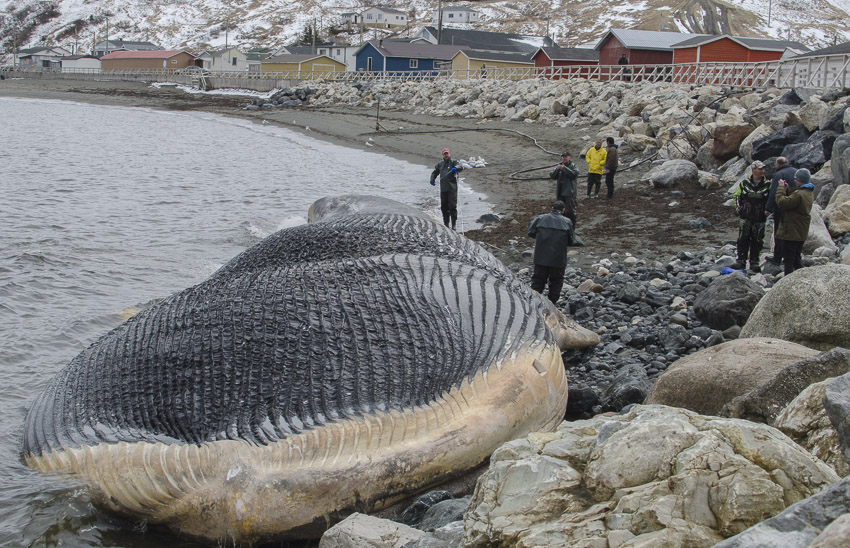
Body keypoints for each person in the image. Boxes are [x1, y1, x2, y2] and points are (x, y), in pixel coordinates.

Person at [527, 200, 576, 304]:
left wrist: (541, 238)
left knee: (538, 279)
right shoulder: (567, 222)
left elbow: (530, 232)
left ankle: (534, 302)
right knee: (556, 281)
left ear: (552, 208)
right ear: (563, 210)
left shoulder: (540, 218)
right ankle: (552, 303)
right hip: (558, 258)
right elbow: (572, 240)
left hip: (541, 256)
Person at [732, 160, 771, 272]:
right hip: (745, 217)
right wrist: (738, 208)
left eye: (763, 169)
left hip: (760, 218)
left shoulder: (768, 185)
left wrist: (768, 210)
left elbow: (771, 200)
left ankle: (754, 262)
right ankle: (741, 261)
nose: (762, 171)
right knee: (742, 239)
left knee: (757, 240)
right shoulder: (744, 183)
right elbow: (737, 196)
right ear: (753, 170)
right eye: (759, 169)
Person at [775, 168, 814, 276]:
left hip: (792, 231)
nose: (795, 181)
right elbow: (796, 197)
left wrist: (781, 189)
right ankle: (803, 276)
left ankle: (788, 279)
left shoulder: (799, 194)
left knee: (788, 258)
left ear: (800, 180)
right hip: (800, 230)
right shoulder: (808, 192)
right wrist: (788, 189)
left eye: (796, 179)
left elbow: (782, 202)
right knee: (796, 258)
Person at [765, 156, 796, 267]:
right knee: (792, 234)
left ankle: (777, 257)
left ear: (778, 164)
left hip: (782, 208)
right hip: (795, 208)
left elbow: (774, 193)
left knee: (779, 232)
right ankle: (793, 258)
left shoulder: (779, 175)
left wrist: (768, 208)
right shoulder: (796, 172)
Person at [430, 148, 463, 230]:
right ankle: (446, 224)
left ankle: (454, 224)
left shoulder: (454, 162)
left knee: (452, 206)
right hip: (443, 189)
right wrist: (432, 179)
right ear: (443, 155)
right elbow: (435, 172)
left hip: (452, 188)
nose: (446, 155)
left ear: (449, 154)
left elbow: (460, 166)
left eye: (447, 153)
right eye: (445, 153)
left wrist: (456, 168)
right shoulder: (440, 164)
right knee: (444, 207)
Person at [549, 151, 579, 226]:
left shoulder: (573, 166)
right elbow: (552, 176)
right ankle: (562, 226)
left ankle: (572, 227)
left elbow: (573, 174)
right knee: (560, 211)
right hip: (560, 192)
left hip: (569, 193)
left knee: (570, 212)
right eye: (563, 156)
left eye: (566, 156)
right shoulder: (559, 166)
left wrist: (564, 168)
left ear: (570, 157)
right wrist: (557, 169)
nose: (564, 158)